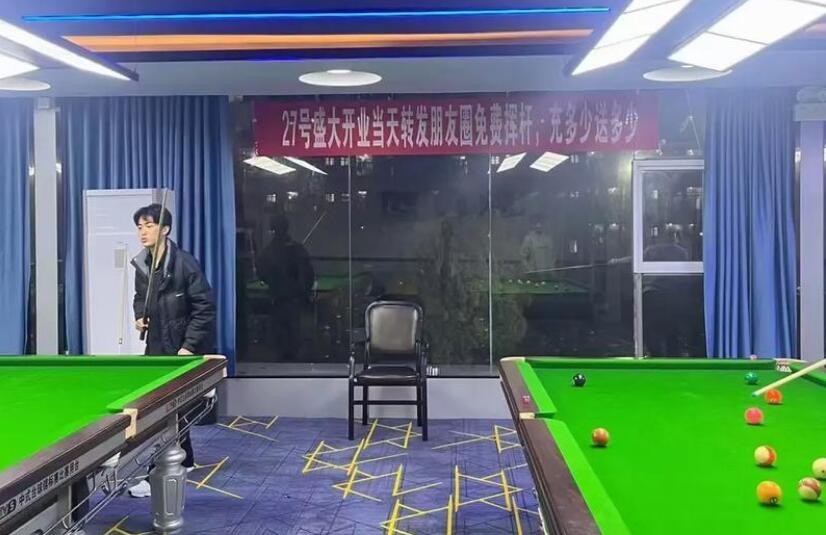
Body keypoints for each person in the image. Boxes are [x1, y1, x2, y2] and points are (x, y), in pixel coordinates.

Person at [128, 203, 217, 498]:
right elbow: (140, 298)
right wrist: (140, 316)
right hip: (156, 347)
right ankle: (185, 460)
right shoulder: (142, 264)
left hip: (181, 349)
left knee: (165, 410)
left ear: (165, 229)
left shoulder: (185, 264)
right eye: (139, 227)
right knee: (168, 409)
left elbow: (204, 309)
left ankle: (157, 473)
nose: (143, 232)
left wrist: (188, 346)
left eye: (149, 225)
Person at [256, 214, 314, 362]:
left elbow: (261, 274)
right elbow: (309, 275)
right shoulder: (297, 249)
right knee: (292, 335)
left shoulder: (269, 251)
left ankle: (286, 360)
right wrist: (304, 292)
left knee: (283, 337)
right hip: (292, 300)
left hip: (281, 299)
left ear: (272, 229)